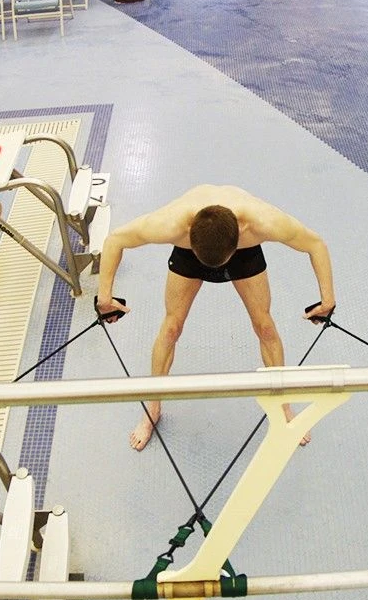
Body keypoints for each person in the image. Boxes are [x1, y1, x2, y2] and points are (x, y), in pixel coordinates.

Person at [94, 184, 336, 450]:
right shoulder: (171, 224)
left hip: (244, 252)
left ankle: (283, 406)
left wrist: (328, 299)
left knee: (265, 327)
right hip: (190, 254)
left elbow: (315, 244)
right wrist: (104, 298)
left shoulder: (262, 221)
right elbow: (115, 240)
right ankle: (153, 408)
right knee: (171, 328)